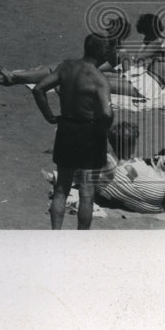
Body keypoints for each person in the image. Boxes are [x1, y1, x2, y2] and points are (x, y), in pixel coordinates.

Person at [31, 35, 114, 230]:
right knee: (87, 191)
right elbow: (106, 112)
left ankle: (56, 234)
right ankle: (81, 237)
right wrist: (106, 125)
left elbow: (38, 89)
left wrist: (50, 116)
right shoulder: (99, 79)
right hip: (90, 132)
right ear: (101, 53)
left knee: (62, 187)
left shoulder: (66, 66)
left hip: (67, 128)